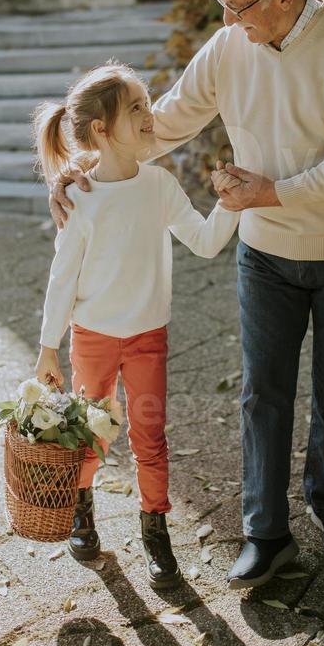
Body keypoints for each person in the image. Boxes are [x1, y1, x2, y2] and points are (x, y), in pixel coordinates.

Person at [48, 0, 324, 589]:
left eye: (236, 6)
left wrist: (275, 190)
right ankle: (267, 533)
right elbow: (163, 125)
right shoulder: (229, 47)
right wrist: (83, 166)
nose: (226, 19)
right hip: (265, 252)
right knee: (263, 392)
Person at [32, 60, 241, 589]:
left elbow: (207, 241)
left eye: (149, 104)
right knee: (92, 433)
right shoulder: (80, 198)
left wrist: (232, 201)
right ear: (100, 130)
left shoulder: (160, 185)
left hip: (150, 336)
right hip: (94, 339)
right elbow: (62, 276)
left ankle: (156, 532)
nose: (151, 115)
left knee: (150, 438)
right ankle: (82, 511)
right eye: (136, 108)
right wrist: (47, 348)